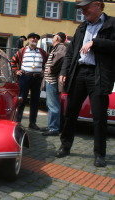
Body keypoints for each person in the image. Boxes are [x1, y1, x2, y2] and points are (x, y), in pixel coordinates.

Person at [56, 0, 115, 168]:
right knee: (71, 112)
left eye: (86, 8)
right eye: (81, 9)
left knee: (99, 116)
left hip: (99, 74)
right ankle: (65, 146)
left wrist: (96, 43)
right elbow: (70, 53)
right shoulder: (81, 27)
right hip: (79, 73)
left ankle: (99, 154)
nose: (83, 11)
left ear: (98, 5)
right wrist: (64, 72)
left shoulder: (112, 24)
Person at [11, 33, 48, 130]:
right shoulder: (22, 51)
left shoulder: (42, 52)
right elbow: (12, 61)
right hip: (24, 77)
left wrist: (44, 71)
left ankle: (32, 123)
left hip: (37, 78)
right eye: (32, 38)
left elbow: (48, 63)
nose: (34, 39)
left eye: (36, 38)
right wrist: (16, 71)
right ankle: (17, 122)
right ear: (28, 39)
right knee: (21, 100)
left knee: (35, 101)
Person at [41, 32, 67, 136]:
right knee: (50, 104)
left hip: (53, 81)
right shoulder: (56, 47)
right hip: (50, 80)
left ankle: (54, 128)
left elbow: (61, 59)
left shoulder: (61, 47)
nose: (52, 38)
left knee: (53, 105)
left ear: (57, 38)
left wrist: (52, 68)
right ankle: (51, 125)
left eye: (54, 36)